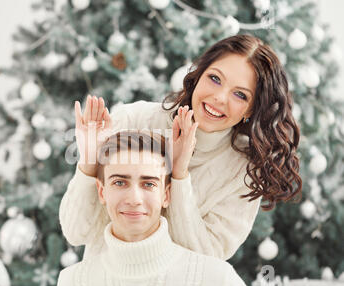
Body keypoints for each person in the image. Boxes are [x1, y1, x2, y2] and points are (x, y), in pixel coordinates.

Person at [60, 34, 302, 261]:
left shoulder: (243, 169)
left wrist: (179, 175)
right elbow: (76, 232)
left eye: (240, 95)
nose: (219, 97)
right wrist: (90, 160)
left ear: (251, 109)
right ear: (198, 75)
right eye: (215, 79)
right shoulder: (132, 120)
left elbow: (206, 259)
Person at [52, 130, 256, 286]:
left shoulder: (216, 279)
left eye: (148, 184)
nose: (134, 199)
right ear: (102, 191)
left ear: (166, 195)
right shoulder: (74, 284)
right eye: (120, 183)